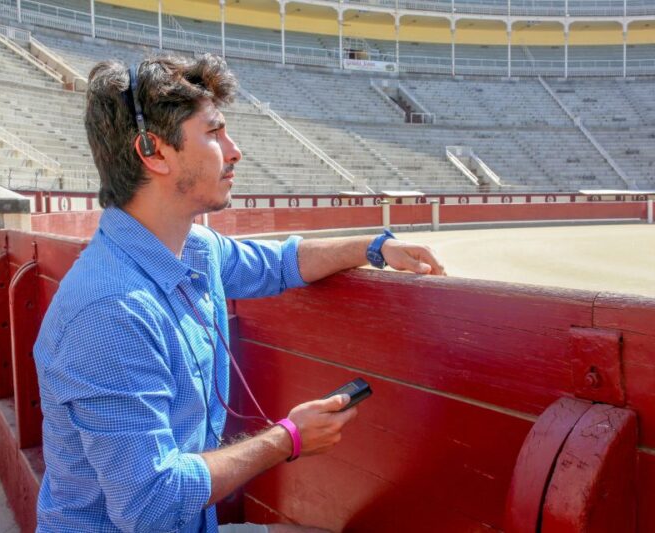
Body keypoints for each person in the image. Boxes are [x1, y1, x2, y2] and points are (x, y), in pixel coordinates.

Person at [33, 54, 446, 533]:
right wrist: (287, 439)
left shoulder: (192, 247)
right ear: (153, 151)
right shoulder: (112, 312)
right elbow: (149, 506)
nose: (234, 150)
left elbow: (279, 264)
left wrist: (375, 247)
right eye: (214, 132)